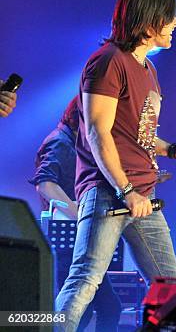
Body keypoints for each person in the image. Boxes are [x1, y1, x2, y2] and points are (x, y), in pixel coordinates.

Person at [55, 0, 176, 331]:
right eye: (171, 17)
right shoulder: (108, 62)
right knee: (85, 281)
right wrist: (126, 190)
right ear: (150, 20)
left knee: (172, 289)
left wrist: (174, 150)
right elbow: (97, 131)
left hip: (141, 195)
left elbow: (138, 134)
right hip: (112, 191)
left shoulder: (147, 69)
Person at [29, 96, 122, 331]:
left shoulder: (69, 142)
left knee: (103, 307)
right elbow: (45, 184)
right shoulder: (60, 142)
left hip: (74, 240)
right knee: (88, 308)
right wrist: (81, 216)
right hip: (68, 242)